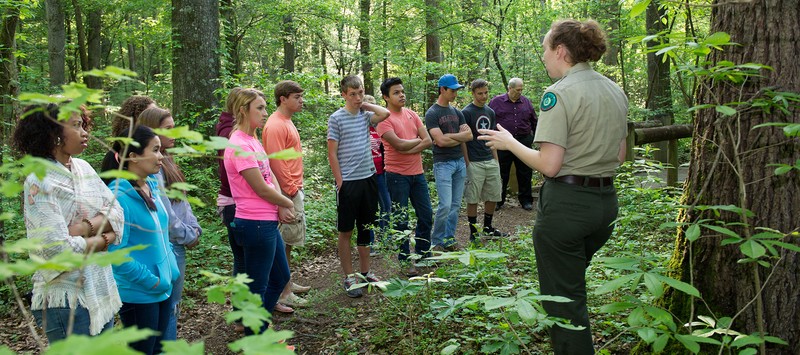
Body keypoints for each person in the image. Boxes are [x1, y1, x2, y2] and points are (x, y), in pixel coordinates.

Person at [479, 19, 628, 354]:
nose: (543, 57)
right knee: (570, 287)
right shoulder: (614, 90)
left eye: (545, 49)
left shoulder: (558, 94)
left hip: (567, 210)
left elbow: (549, 164)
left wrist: (509, 142)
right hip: (605, 206)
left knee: (563, 303)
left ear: (561, 51)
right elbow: (619, 155)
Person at [13, 103, 123, 343]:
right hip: (66, 300)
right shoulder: (40, 179)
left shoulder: (83, 168)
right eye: (75, 125)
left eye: (83, 124)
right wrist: (105, 238)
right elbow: (55, 249)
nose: (85, 132)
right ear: (53, 133)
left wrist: (85, 230)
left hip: (100, 287)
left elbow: (117, 211)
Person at [102, 125, 180, 355]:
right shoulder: (118, 196)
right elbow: (117, 254)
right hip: (139, 294)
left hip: (163, 288)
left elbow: (162, 237)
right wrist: (152, 281)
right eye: (155, 150)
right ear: (133, 156)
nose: (160, 156)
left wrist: (170, 272)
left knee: (158, 349)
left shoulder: (151, 187)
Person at [224, 88, 295, 334]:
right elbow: (259, 188)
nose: (265, 113)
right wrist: (287, 203)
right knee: (258, 287)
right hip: (253, 224)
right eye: (260, 108)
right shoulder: (238, 145)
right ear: (243, 110)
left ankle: (257, 330)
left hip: (266, 221)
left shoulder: (253, 139)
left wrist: (280, 203)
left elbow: (269, 176)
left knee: (279, 277)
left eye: (265, 107)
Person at [136, 107, 202, 341]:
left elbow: (181, 202)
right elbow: (165, 213)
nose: (174, 132)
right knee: (169, 306)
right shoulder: (152, 170)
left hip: (178, 242)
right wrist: (187, 235)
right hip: (170, 244)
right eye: (167, 128)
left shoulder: (168, 160)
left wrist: (194, 227)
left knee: (173, 305)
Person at [327, 75, 390, 298]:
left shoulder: (366, 116)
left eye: (360, 92)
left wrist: (363, 103)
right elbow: (332, 153)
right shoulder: (336, 118)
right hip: (348, 182)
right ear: (343, 94)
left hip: (369, 179)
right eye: (352, 94)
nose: (356, 97)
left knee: (366, 228)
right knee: (346, 230)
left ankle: (365, 272)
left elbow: (386, 113)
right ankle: (349, 276)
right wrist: (340, 182)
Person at [261, 80, 311, 313]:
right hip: (285, 190)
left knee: (288, 241)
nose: (302, 101)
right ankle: (284, 291)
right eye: (297, 97)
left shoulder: (286, 121)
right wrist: (289, 191)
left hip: (292, 188)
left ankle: (286, 284)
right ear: (283, 99)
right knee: (283, 241)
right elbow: (275, 161)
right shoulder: (275, 125)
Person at [376, 77, 433, 276]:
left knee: (426, 215)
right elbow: (398, 145)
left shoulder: (412, 114)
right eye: (396, 93)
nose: (401, 95)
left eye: (402, 91)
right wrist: (414, 143)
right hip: (396, 176)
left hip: (418, 175)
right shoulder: (383, 120)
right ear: (385, 97)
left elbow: (428, 140)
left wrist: (409, 146)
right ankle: (404, 260)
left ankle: (423, 255)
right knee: (401, 221)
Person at [426, 74, 472, 251]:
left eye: (456, 90)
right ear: (442, 90)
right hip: (443, 163)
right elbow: (440, 142)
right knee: (445, 204)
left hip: (459, 162)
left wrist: (448, 137)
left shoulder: (457, 112)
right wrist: (456, 138)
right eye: (452, 90)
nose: (455, 93)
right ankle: (436, 241)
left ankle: (449, 238)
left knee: (455, 205)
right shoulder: (432, 113)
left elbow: (469, 136)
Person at [460, 79, 507, 242]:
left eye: (486, 92)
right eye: (480, 93)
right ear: (472, 93)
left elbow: (491, 135)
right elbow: (463, 140)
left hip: (490, 159)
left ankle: (488, 227)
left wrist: (496, 160)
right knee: (472, 197)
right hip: (474, 161)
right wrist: (467, 162)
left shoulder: (490, 111)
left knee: (493, 195)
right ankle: (473, 232)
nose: (484, 96)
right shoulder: (466, 112)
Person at [488, 77, 538, 210]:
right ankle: (498, 200)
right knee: (501, 172)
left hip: (523, 140)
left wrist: (535, 138)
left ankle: (526, 200)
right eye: (517, 90)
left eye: (521, 89)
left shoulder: (526, 102)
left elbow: (534, 121)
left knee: (525, 171)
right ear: (509, 88)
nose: (520, 92)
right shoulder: (496, 102)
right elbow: (488, 120)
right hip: (502, 142)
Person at [363, 94, 391, 256]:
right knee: (369, 210)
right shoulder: (360, 127)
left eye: (374, 105)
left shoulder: (380, 127)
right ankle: (371, 243)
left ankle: (385, 239)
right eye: (368, 106)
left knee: (386, 206)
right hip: (366, 175)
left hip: (382, 173)